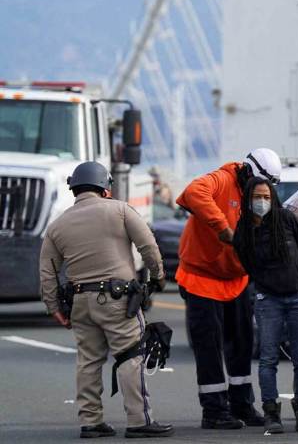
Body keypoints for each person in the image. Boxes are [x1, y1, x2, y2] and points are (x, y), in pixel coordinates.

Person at [38, 162, 174, 438]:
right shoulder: (120, 210)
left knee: (88, 360)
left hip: (79, 301)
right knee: (130, 355)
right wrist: (158, 276)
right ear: (105, 188)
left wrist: (54, 307)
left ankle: (91, 421)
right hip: (117, 299)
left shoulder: (57, 226)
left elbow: (48, 273)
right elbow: (147, 245)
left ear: (74, 188)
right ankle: (139, 421)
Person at [175, 148, 282, 429]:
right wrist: (222, 227)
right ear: (247, 172)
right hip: (202, 278)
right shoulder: (222, 179)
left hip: (236, 280)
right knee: (209, 347)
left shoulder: (258, 197)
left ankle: (242, 405)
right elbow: (193, 192)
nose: (260, 193)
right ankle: (213, 411)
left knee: (242, 344)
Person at [233, 176, 298, 433]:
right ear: (248, 199)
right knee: (268, 358)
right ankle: (272, 413)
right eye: (257, 197)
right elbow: (247, 265)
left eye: (266, 197)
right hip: (268, 299)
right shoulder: (244, 231)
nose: (262, 202)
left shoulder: (286, 219)